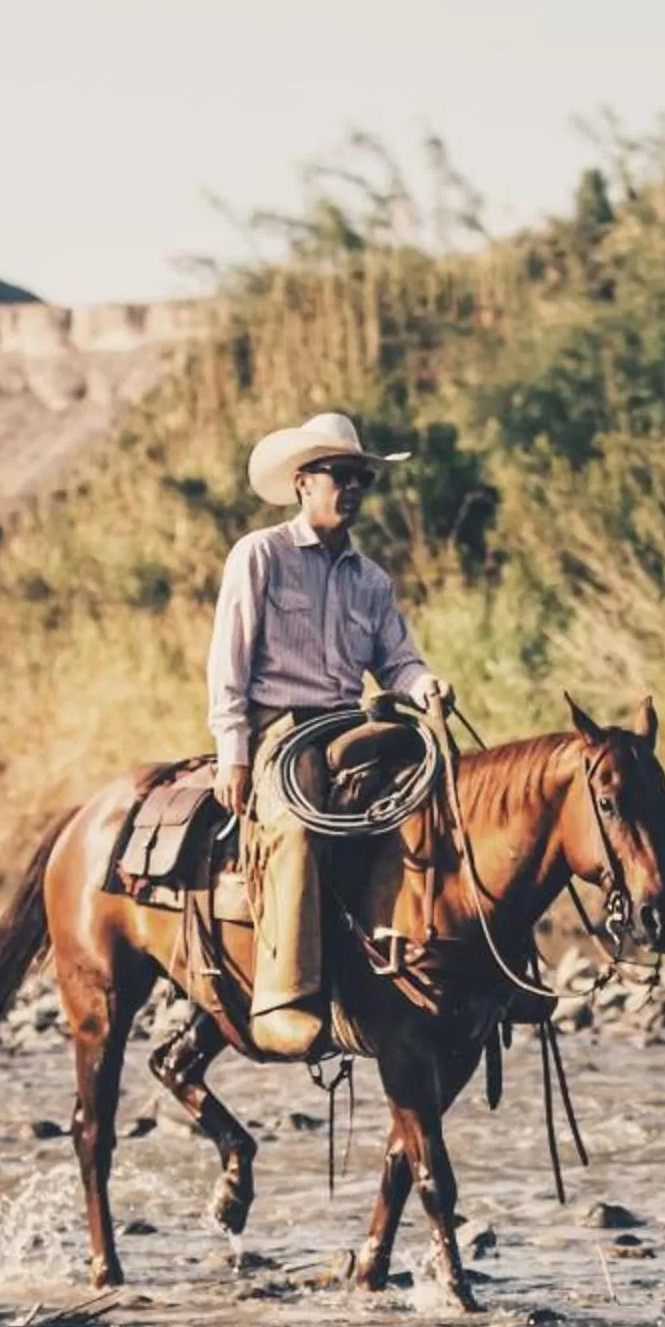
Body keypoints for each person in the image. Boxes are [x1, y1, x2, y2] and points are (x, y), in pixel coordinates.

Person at [206, 411, 451, 1056]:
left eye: (359, 479)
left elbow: (397, 660)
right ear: (301, 483)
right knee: (296, 824)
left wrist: (426, 686)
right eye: (338, 476)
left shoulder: (371, 580)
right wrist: (232, 755)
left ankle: (444, 964)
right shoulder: (261, 556)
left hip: (349, 721)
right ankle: (285, 995)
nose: (351, 488)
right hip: (278, 731)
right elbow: (228, 661)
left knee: (442, 796)